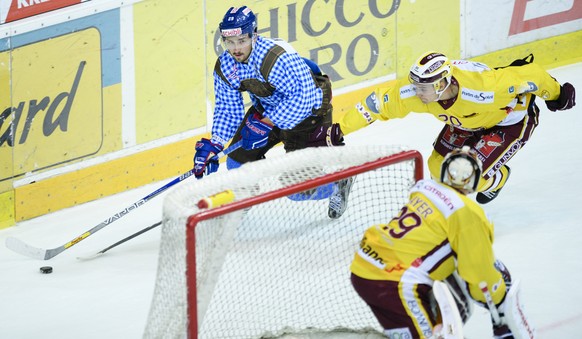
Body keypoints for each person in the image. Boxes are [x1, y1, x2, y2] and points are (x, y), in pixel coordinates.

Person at [314, 51, 576, 203]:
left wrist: (557, 94)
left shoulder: (484, 88)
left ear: (442, 84)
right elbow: (376, 104)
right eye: (416, 86)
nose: (417, 93)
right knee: (437, 165)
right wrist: (339, 129)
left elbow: (531, 75)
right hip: (465, 124)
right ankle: (493, 176)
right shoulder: (420, 92)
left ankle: (498, 178)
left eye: (423, 88)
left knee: (465, 178)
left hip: (507, 123)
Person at [350, 147, 533, 338]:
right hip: (394, 283)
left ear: (445, 170)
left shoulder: (424, 189)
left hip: (364, 267)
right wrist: (500, 301)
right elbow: (478, 274)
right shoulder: (468, 212)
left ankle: (438, 328)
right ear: (475, 179)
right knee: (471, 290)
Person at [193, 6, 354, 218]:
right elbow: (227, 109)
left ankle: (337, 183)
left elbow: (303, 100)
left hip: (308, 117)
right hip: (267, 109)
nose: (235, 48)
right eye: (229, 42)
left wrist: (267, 123)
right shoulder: (226, 65)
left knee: (299, 192)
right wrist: (215, 144)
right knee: (236, 162)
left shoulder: (276, 58)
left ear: (254, 35)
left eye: (241, 40)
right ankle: (247, 194)